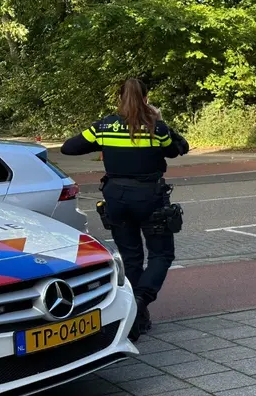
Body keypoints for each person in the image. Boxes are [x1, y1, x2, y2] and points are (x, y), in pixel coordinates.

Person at [60, 78, 188, 341]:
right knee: (161, 254)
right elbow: (179, 149)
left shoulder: (104, 127)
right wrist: (159, 120)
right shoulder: (156, 128)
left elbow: (68, 148)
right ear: (146, 98)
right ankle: (141, 300)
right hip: (150, 197)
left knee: (130, 258)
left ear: (119, 98)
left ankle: (136, 318)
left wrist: (102, 141)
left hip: (116, 197)